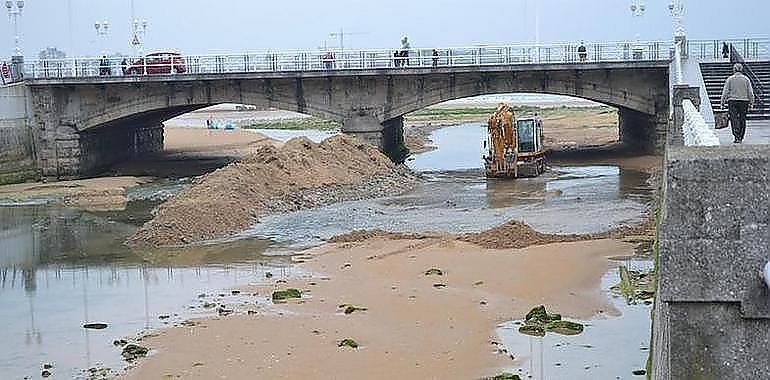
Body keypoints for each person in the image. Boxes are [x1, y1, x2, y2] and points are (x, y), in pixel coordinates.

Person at [720, 63, 755, 143]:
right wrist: (751, 102)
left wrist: (722, 102)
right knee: (742, 118)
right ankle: (741, 136)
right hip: (744, 101)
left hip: (732, 101)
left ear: (734, 70)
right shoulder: (746, 79)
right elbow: (750, 92)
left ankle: (736, 136)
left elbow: (725, 92)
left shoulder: (730, 79)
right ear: (741, 70)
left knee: (734, 118)